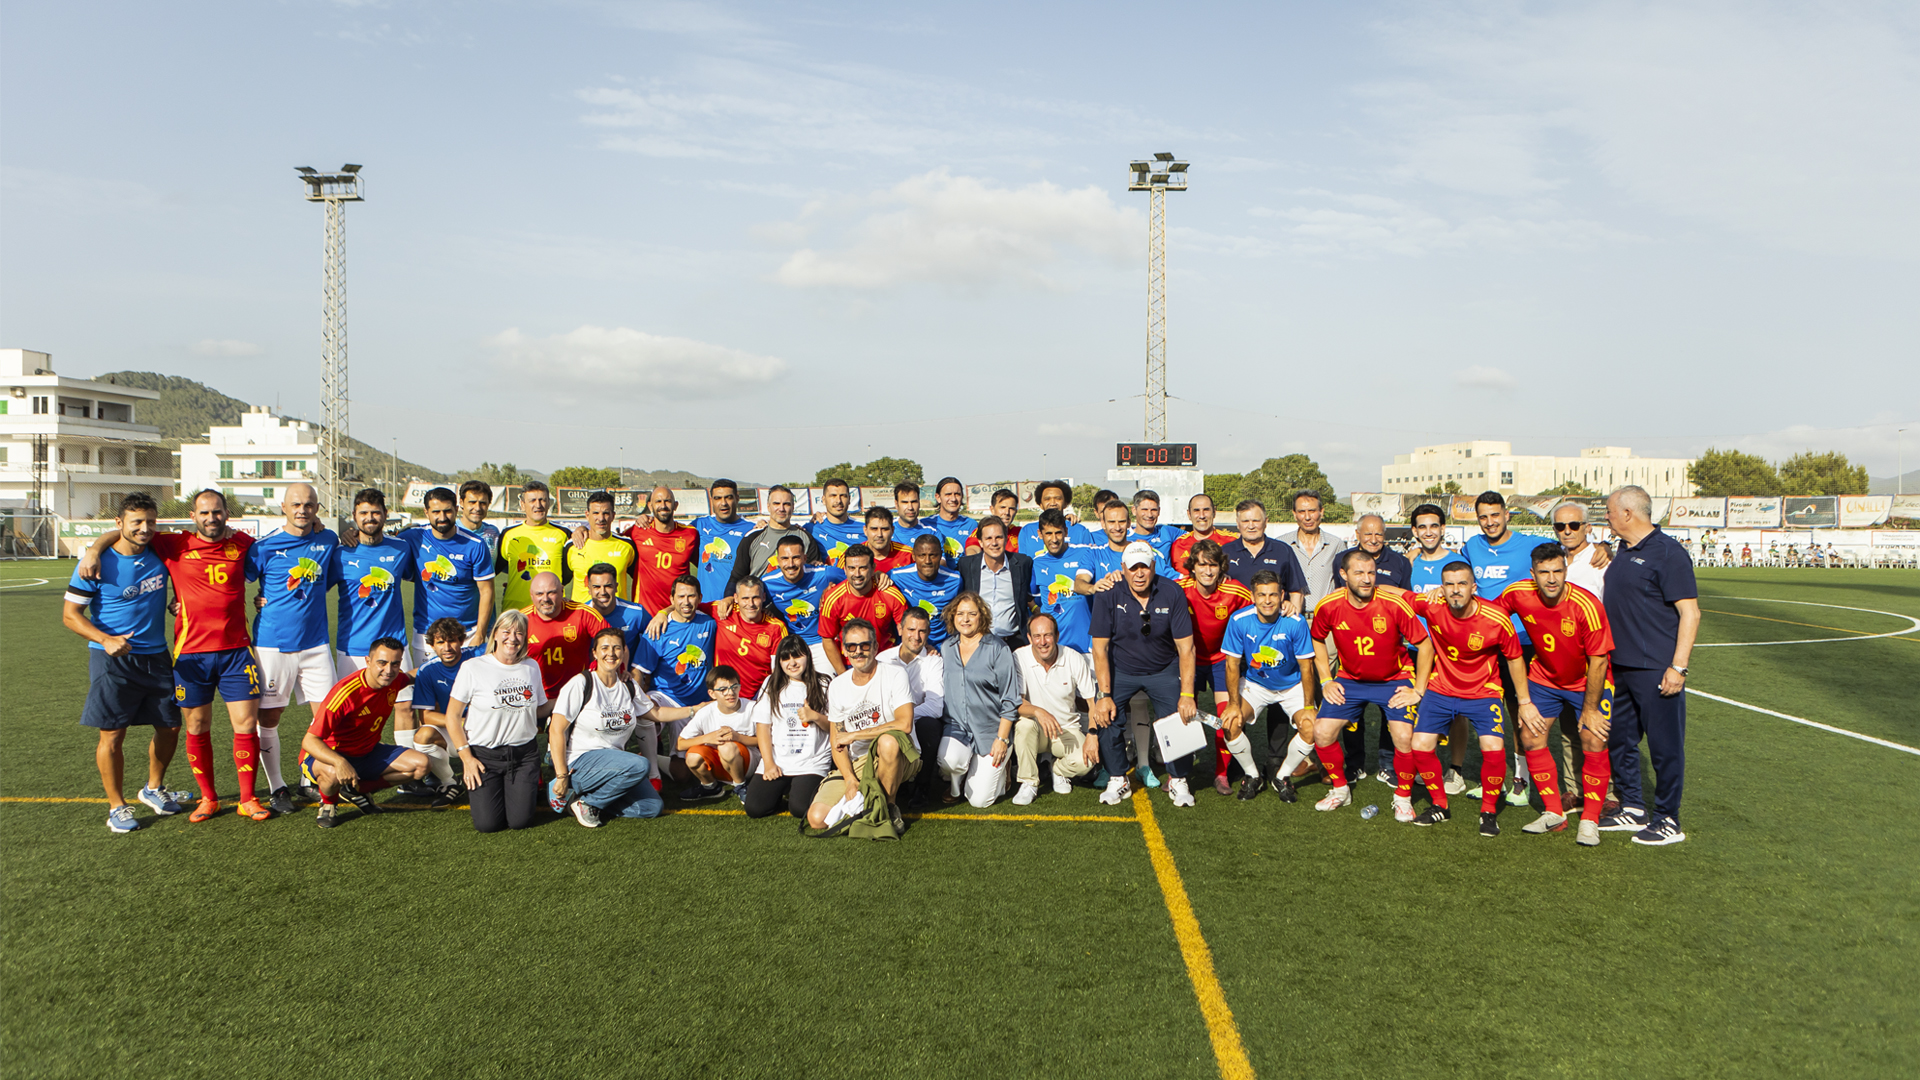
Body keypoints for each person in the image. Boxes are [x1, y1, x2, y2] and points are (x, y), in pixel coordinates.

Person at [79, 488, 268, 823]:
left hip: (236, 651)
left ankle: (248, 798)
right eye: (204, 513)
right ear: (193, 517)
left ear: (227, 514)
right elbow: (129, 531)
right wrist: (94, 548)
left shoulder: (243, 543)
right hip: (191, 654)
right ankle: (208, 799)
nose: (212, 518)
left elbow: (277, 558)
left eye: (218, 512)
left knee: (246, 724)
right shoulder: (173, 543)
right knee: (196, 725)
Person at [63, 492, 183, 832]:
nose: (145, 529)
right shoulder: (95, 564)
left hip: (157, 656)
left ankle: (153, 789)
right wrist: (105, 639)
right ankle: (117, 807)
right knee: (113, 736)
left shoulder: (159, 550)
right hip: (112, 661)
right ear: (119, 524)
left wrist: (177, 601)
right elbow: (70, 616)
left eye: (150, 522)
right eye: (137, 523)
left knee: (170, 727)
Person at [1599, 485, 1700, 847]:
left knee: (1664, 746)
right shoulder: (1623, 549)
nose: (1606, 517)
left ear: (1628, 514)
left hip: (1655, 669)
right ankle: (1632, 807)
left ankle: (1668, 818)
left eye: (1610, 511)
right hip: (1619, 665)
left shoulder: (1669, 554)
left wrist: (1679, 667)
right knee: (1620, 740)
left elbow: (1690, 612)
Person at [1500, 544, 1615, 845]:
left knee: (1593, 738)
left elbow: (1600, 661)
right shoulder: (1517, 593)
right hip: (1544, 677)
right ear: (1532, 574)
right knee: (1531, 736)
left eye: (1558, 571)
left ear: (1566, 571)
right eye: (1544, 572)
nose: (1552, 579)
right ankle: (1554, 813)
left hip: (1588, 680)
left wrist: (1590, 709)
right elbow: (1490, 613)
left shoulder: (1586, 604)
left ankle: (1590, 819)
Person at [1407, 564, 1529, 836]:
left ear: (1474, 588)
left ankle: (1488, 811)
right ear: (1442, 587)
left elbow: (1514, 658)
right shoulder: (1433, 606)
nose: (1455, 590)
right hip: (1441, 688)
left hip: (1483, 692)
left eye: (1462, 584)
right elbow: (1395, 595)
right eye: (1449, 585)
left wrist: (1524, 701)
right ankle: (1440, 805)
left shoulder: (1496, 618)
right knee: (1420, 745)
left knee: (1493, 748)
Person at [1308, 552, 1432, 816]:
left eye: (1371, 573)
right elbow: (1317, 639)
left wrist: (1418, 689)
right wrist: (1326, 679)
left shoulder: (1393, 603)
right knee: (1322, 731)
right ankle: (1340, 790)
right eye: (1359, 573)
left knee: (1403, 737)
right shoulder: (1327, 605)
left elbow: (1425, 644)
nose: (1367, 580)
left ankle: (1403, 797)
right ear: (1343, 575)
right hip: (1350, 680)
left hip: (1395, 679)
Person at [246, 483, 338, 814]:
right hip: (273, 645)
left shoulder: (327, 540)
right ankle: (277, 787)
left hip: (316, 645)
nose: (302, 510)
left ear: (317, 509)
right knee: (269, 717)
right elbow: (230, 580)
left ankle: (307, 778)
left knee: (327, 719)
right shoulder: (264, 547)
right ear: (283, 507)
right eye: (296, 504)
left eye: (309, 505)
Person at [1089, 541, 1201, 807]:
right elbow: (1099, 648)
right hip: (1122, 668)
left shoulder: (1172, 592)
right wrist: (1104, 694)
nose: (1139, 573)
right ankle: (1118, 778)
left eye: (1144, 567)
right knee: (1104, 714)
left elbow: (1186, 648)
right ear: (1123, 569)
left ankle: (1178, 778)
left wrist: (1187, 694)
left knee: (1180, 716)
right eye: (1133, 567)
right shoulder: (1107, 594)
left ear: (1153, 566)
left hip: (1163, 667)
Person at [1461, 491, 1543, 806]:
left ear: (1507, 514)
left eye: (1495, 515)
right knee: (1485, 710)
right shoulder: (1472, 547)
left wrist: (1601, 549)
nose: (1490, 522)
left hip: (1520, 641)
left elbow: (1565, 560)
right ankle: (1492, 778)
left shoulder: (1530, 545)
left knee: (1518, 709)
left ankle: (1521, 781)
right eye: (1483, 516)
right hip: (1482, 643)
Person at [300, 638, 431, 829]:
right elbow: (310, 741)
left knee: (422, 765)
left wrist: (445, 665)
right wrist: (340, 762)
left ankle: (358, 790)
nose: (388, 670)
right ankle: (328, 804)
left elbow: (412, 676)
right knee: (332, 774)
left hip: (366, 752)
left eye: (395, 664)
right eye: (382, 663)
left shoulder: (393, 680)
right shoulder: (345, 693)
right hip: (330, 754)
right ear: (368, 661)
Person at [807, 618, 921, 834]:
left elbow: (904, 723)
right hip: (858, 760)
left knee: (888, 742)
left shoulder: (895, 674)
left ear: (876, 647)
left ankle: (886, 809)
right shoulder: (838, 685)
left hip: (900, 755)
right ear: (844, 650)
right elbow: (837, 741)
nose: (858, 652)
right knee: (816, 819)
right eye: (851, 646)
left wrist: (855, 735)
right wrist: (850, 780)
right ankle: (865, 803)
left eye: (865, 645)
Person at [548, 627, 666, 826]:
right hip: (580, 761)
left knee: (652, 807)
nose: (611, 653)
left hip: (614, 762)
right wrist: (561, 775)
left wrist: (695, 710)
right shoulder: (581, 683)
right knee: (639, 765)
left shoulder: (628, 685)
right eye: (604, 648)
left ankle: (581, 801)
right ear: (594, 653)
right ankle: (583, 798)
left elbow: (656, 714)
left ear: (624, 652)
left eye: (617, 648)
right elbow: (556, 730)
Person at [1219, 570, 1319, 801]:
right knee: (1231, 722)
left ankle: (1282, 777)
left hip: (1291, 686)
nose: (1267, 600)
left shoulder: (1295, 622)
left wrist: (1308, 706)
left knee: (1311, 727)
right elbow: (1232, 665)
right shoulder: (1238, 620)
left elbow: (1306, 668)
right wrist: (1234, 704)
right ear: (1253, 597)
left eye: (1273, 595)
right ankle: (1252, 775)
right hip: (1256, 684)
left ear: (1282, 595)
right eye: (1261, 595)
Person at [445, 609, 546, 832]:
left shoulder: (531, 667)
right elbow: (452, 716)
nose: (513, 638)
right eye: (507, 631)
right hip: (484, 757)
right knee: (487, 825)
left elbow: (540, 708)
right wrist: (467, 758)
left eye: (519, 633)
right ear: (496, 634)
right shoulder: (473, 667)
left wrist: (572, 695)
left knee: (519, 822)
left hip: (524, 756)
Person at [1178, 538, 1254, 794]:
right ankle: (1179, 774)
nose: (1207, 571)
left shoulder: (1237, 592)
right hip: (1189, 661)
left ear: (1221, 567)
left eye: (1213, 565)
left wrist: (1285, 605)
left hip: (1222, 662)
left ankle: (1221, 773)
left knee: (1228, 718)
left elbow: (1262, 610)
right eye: (1202, 565)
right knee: (1183, 716)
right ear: (1193, 567)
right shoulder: (1179, 588)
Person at [935, 593, 1021, 808]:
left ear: (982, 616)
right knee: (949, 762)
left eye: (972, 614)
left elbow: (1010, 699)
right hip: (957, 727)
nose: (965, 619)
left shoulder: (998, 649)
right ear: (952, 616)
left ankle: (1004, 767)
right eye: (960, 614)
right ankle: (955, 786)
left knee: (979, 801)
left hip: (990, 730)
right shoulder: (947, 648)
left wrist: (1001, 739)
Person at [1009, 613, 1098, 804]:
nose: (1043, 642)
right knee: (1023, 726)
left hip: (1066, 729)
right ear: (1029, 637)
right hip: (1036, 728)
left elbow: (1092, 702)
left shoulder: (1073, 658)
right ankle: (1029, 782)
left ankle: (1058, 770)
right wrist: (1039, 712)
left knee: (1087, 761)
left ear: (1057, 636)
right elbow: (1017, 703)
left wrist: (1092, 734)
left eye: (1048, 635)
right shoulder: (1019, 656)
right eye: (1037, 636)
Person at [742, 637, 834, 819]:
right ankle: (784, 789)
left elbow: (835, 727)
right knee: (755, 809)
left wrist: (815, 716)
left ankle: (800, 789)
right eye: (786, 658)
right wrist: (768, 763)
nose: (792, 663)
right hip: (779, 760)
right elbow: (763, 726)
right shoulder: (771, 683)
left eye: (797, 656)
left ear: (807, 656)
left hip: (812, 762)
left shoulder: (824, 682)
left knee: (800, 809)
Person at [877, 606, 947, 807]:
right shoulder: (883, 659)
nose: (916, 636)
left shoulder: (933, 661)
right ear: (900, 629)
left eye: (922, 631)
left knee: (930, 726)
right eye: (911, 630)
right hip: (888, 722)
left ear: (928, 633)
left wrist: (904, 718)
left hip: (911, 721)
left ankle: (922, 787)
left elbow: (935, 707)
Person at [721, 486, 826, 614]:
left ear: (793, 507)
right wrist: (727, 598)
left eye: (786, 504)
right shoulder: (752, 537)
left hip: (792, 612)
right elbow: (737, 577)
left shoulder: (806, 538)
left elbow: (814, 577)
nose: (781, 509)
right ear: (768, 506)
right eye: (776, 503)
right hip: (757, 612)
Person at [409, 616, 479, 804]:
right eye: (440, 642)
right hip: (456, 731)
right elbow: (426, 715)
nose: (447, 647)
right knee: (423, 736)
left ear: (461, 641)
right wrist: (460, 722)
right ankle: (451, 782)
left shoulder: (478, 656)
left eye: (452, 640)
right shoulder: (427, 671)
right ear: (432, 645)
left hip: (485, 728)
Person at [523, 570, 607, 715]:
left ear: (562, 591)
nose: (545, 599)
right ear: (531, 595)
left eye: (551, 593)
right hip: (536, 697)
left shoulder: (583, 613)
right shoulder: (521, 620)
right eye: (539, 594)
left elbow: (614, 644)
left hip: (578, 694)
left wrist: (613, 673)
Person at [757, 535, 845, 670]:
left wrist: (833, 592)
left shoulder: (825, 574)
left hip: (823, 642)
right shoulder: (768, 583)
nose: (790, 564)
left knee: (826, 686)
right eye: (785, 559)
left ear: (805, 558)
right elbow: (749, 603)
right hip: (791, 643)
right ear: (778, 560)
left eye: (796, 558)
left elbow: (856, 580)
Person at [819, 544, 911, 672]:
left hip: (885, 660)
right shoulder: (833, 598)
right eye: (851, 568)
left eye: (862, 568)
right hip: (850, 662)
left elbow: (907, 632)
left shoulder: (890, 593)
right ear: (844, 569)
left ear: (873, 568)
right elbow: (827, 638)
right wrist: (843, 675)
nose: (857, 574)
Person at [675, 666, 757, 801]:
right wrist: (708, 737)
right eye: (723, 690)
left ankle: (740, 784)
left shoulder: (752, 708)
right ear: (712, 694)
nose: (730, 693)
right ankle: (710, 786)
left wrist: (738, 737)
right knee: (693, 756)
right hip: (719, 763)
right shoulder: (705, 712)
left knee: (727, 747)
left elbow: (766, 740)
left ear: (740, 687)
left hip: (748, 763)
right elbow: (680, 744)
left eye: (734, 686)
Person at [638, 575, 717, 709]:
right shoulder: (658, 628)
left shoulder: (710, 623)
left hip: (702, 702)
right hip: (666, 698)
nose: (686, 602)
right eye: (681, 597)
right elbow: (639, 669)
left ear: (700, 598)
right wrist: (637, 698)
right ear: (671, 599)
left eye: (691, 596)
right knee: (646, 713)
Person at [1027, 509, 1098, 654]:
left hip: (1085, 645)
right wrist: (1037, 611)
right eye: (1048, 533)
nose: (1054, 539)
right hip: (1052, 647)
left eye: (1058, 532)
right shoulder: (1036, 563)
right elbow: (1029, 596)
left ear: (1066, 531)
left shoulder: (1087, 552)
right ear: (1040, 534)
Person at [957, 516, 1034, 648]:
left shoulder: (1022, 564)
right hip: (978, 642)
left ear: (1006, 539)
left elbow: (1029, 594)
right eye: (988, 538)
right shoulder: (966, 566)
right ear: (980, 542)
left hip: (1014, 642)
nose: (994, 543)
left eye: (998, 537)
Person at [495, 480, 569, 613]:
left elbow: (570, 571)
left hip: (551, 609)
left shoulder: (563, 535)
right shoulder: (508, 535)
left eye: (542, 500)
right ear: (522, 505)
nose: (538, 505)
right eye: (532, 500)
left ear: (549, 504)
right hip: (516, 610)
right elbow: (493, 570)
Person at [1223, 500, 1306, 616]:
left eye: (1256, 521)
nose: (1251, 526)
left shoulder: (1283, 551)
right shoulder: (1225, 552)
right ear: (1237, 523)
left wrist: (1293, 622)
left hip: (1275, 625)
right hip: (1237, 625)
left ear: (1266, 522)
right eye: (1245, 521)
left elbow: (1296, 591)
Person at [627, 485, 700, 615]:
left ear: (675, 505)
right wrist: (582, 530)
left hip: (679, 612)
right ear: (650, 506)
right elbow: (610, 540)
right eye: (658, 501)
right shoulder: (637, 531)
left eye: (667, 501)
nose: (663, 505)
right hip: (645, 614)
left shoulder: (690, 534)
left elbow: (704, 565)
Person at [712, 576, 788, 701]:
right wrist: (667, 612)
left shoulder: (776, 628)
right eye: (745, 598)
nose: (750, 604)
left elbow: (778, 672)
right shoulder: (724, 611)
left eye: (755, 598)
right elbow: (689, 607)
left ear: (763, 597)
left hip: (758, 698)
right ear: (736, 598)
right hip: (723, 696)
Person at [563, 490, 639, 604]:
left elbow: (643, 581)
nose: (601, 518)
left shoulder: (627, 546)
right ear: (587, 515)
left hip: (616, 619)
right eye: (596, 513)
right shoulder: (572, 546)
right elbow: (559, 582)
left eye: (606, 513)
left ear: (613, 515)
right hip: (583, 618)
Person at [890, 534, 964, 647]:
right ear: (914, 556)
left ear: (940, 555)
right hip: (910, 644)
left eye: (933, 555)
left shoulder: (955, 580)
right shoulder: (896, 576)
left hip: (942, 646)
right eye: (922, 555)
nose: (927, 561)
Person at [692, 478, 755, 606]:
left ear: (737, 498)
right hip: (705, 607)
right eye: (718, 498)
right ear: (712, 501)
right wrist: (646, 519)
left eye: (728, 497)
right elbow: (671, 532)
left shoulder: (751, 530)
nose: (723, 503)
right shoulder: (699, 525)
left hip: (736, 607)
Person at [1088, 499, 1176, 589]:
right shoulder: (1093, 553)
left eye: (1122, 522)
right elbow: (1080, 583)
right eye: (1111, 522)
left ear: (1129, 523)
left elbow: (1177, 579)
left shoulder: (1145, 551)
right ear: (1103, 524)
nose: (1117, 527)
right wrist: (1093, 588)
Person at [1281, 490, 1342, 613]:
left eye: (1312, 511)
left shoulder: (1336, 544)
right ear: (1294, 514)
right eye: (1302, 512)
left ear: (1321, 512)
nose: (1307, 517)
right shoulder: (1282, 544)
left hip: (1325, 620)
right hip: (1290, 618)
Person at [583, 562, 652, 663]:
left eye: (608, 586)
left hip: (625, 676)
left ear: (616, 587)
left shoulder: (636, 613)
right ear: (589, 589)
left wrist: (638, 670)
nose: (603, 592)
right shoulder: (580, 615)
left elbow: (655, 643)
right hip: (591, 676)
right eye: (597, 587)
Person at [1333, 514, 1412, 591]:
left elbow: (1406, 597)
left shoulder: (1401, 562)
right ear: (1358, 534)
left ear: (1384, 535)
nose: (1373, 540)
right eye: (1368, 534)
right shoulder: (1341, 559)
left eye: (1378, 534)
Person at [1552, 502, 1608, 600]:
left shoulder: (1601, 562)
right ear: (1554, 530)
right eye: (1560, 526)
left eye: (1574, 525)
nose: (1567, 532)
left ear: (1587, 528)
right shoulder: (1550, 558)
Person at [1019, 480, 1095, 552]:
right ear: (1040, 504)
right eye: (1047, 499)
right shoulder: (1027, 531)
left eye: (1058, 499)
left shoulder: (1080, 531)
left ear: (1065, 503)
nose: (1053, 503)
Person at [808, 477, 868, 564]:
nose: (838, 501)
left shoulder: (865, 528)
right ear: (823, 500)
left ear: (849, 499)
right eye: (833, 496)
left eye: (843, 496)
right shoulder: (811, 529)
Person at [1169, 492, 1235, 570]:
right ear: (1189, 514)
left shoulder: (1232, 541)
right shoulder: (1178, 545)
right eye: (1196, 511)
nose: (1202, 516)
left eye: (1206, 510)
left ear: (1214, 512)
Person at [930, 476, 977, 567]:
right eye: (948, 494)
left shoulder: (972, 525)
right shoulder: (926, 524)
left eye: (957, 494)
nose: (953, 499)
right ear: (938, 497)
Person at [1127, 489, 1182, 565]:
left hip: (1167, 576)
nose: (1149, 515)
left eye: (1154, 510)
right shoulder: (1124, 537)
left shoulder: (1166, 531)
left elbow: (1196, 537)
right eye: (1144, 510)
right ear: (1134, 510)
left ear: (1159, 511)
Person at [964, 488, 1022, 555]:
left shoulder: (1020, 532)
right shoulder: (982, 531)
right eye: (1002, 507)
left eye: (1011, 509)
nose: (1007, 512)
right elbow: (972, 550)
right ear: (992, 509)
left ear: (1016, 512)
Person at [457, 479, 502, 562]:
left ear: (489, 504)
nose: (477, 508)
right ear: (461, 502)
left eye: (483, 503)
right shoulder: (450, 531)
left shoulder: (493, 533)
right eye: (472, 502)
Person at [862, 507, 915, 575]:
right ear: (865, 530)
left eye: (884, 529)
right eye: (874, 529)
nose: (879, 534)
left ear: (892, 530)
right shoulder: (852, 557)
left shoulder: (908, 555)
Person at [890, 480, 939, 550]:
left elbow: (941, 560)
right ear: (896, 504)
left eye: (914, 502)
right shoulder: (883, 529)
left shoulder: (932, 532)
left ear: (919, 503)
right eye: (905, 502)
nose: (910, 507)